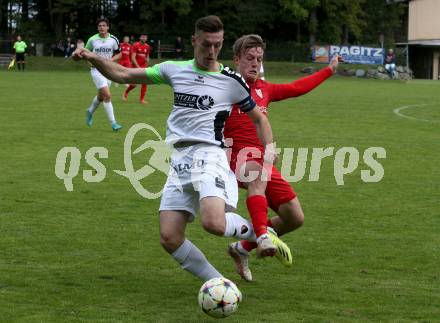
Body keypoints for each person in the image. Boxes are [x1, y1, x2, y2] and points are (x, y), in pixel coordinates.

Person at [73, 15, 288, 281]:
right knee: (169, 237)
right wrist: (92, 58)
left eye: (218, 45)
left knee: (213, 222)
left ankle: (261, 232)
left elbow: (259, 118)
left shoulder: (231, 80)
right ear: (194, 40)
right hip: (179, 159)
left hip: (210, 154)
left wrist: (270, 149)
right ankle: (218, 283)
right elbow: (124, 73)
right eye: (206, 44)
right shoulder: (174, 69)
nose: (212, 51)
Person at [225, 34, 339, 281]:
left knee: (294, 217)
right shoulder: (225, 86)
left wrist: (328, 70)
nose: (255, 63)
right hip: (233, 157)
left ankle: (242, 248)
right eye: (249, 58)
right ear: (237, 60)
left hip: (261, 160)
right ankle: (263, 236)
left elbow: (297, 88)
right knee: (256, 172)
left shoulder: (264, 89)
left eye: (259, 59)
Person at [83, 18, 122, 131]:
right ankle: (113, 123)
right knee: (107, 95)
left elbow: (119, 54)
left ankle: (90, 111)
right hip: (96, 70)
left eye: (104, 25)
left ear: (108, 27)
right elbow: (85, 53)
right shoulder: (92, 39)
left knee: (101, 96)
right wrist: (90, 63)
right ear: (97, 28)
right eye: (100, 26)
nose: (101, 27)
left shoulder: (113, 39)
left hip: (108, 70)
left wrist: (110, 61)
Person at [122, 34, 152, 104]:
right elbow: (133, 58)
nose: (144, 38)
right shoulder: (135, 45)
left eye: (145, 37)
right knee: (133, 85)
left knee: (145, 82)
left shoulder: (147, 46)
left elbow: (147, 56)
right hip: (135, 67)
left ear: (146, 38)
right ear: (140, 37)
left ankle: (142, 100)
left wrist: (147, 61)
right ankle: (126, 92)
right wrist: (138, 67)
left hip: (143, 67)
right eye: (143, 37)